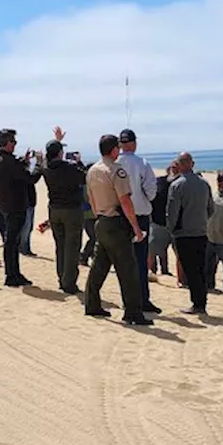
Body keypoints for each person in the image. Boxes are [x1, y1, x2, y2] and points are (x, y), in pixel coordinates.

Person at [83, 134, 152, 326]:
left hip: (102, 221)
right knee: (128, 269)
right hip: (116, 223)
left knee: (99, 266)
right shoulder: (116, 170)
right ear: (114, 149)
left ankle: (92, 303)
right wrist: (136, 228)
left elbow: (91, 198)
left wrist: (100, 215)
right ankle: (133, 313)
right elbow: (125, 201)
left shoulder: (93, 170)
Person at [116, 129, 160, 313]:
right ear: (134, 143)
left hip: (119, 216)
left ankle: (128, 299)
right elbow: (151, 191)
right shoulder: (142, 163)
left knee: (124, 260)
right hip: (139, 216)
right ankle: (142, 299)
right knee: (140, 260)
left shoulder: (115, 163)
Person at [165, 152, 214, 315]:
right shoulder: (204, 184)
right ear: (192, 164)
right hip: (201, 232)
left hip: (184, 233)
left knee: (191, 270)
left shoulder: (177, 185)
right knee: (200, 269)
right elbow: (211, 209)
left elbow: (172, 212)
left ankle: (197, 303)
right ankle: (202, 302)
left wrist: (171, 229)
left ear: (180, 165)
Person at [0, 128, 34, 287]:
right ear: (7, 143)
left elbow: (12, 172)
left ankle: (13, 273)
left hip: (5, 205)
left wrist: (23, 162)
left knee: (11, 241)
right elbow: (29, 178)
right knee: (12, 242)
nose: (15, 145)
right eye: (13, 142)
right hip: (15, 205)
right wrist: (39, 166)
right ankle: (11, 275)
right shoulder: (8, 162)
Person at [41, 131, 86, 294]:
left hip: (54, 209)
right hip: (71, 210)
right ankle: (69, 282)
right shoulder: (70, 167)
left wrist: (57, 141)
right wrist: (79, 162)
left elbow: (45, 161)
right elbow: (84, 178)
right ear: (60, 153)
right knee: (72, 247)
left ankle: (62, 278)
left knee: (60, 246)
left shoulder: (46, 168)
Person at [149, 163, 178, 278]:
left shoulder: (181, 183)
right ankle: (153, 271)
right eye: (172, 168)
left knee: (167, 250)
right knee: (153, 248)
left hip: (175, 224)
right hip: (157, 221)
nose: (174, 171)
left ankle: (165, 270)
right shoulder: (159, 182)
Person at [20, 151, 43, 257]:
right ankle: (24, 248)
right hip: (26, 204)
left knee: (28, 228)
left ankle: (26, 248)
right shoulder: (23, 174)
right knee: (26, 227)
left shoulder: (24, 173)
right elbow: (34, 178)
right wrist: (38, 163)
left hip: (30, 203)